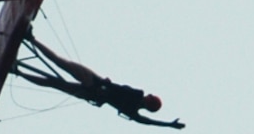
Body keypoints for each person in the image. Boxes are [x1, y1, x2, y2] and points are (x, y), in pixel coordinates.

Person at [16, 32, 184, 127]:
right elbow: (146, 122)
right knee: (54, 84)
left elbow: (145, 120)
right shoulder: (133, 111)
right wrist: (168, 125)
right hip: (94, 95)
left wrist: (168, 124)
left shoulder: (137, 96)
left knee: (61, 64)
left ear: (149, 101)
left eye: (150, 98)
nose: (148, 95)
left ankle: (30, 39)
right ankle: (18, 71)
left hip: (96, 84)